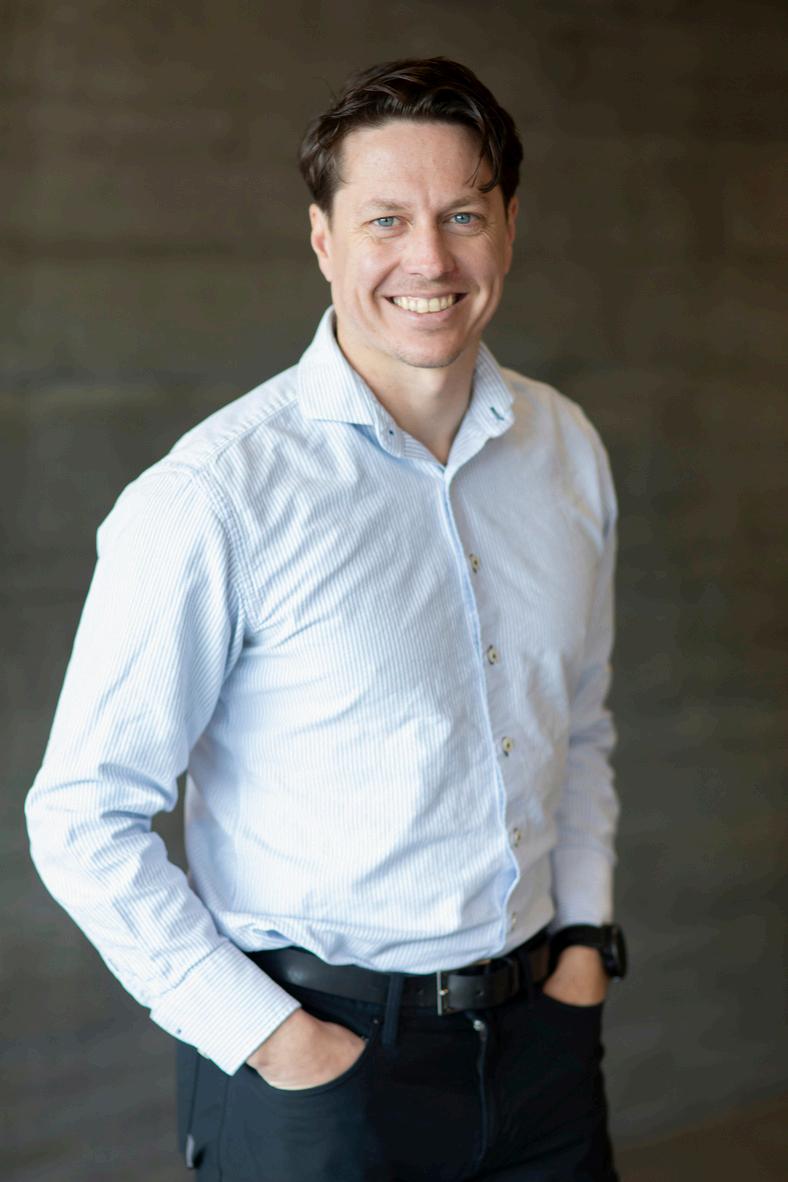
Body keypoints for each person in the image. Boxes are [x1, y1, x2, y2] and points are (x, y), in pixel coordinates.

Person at [25, 57, 627, 1181]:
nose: (428, 260)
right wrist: (274, 1042)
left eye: (461, 215)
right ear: (323, 241)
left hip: (540, 1046)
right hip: (318, 1071)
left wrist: (585, 939)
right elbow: (81, 816)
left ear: (508, 227)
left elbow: (579, 724)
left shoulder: (566, 450)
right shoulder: (215, 496)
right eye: (384, 219)